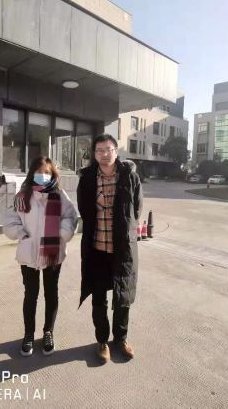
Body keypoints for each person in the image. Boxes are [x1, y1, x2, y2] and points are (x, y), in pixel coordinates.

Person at [77, 134, 142, 364]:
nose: (104, 154)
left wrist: (125, 231)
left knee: (122, 297)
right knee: (99, 298)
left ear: (116, 150)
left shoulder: (130, 177)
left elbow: (136, 210)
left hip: (122, 249)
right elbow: (84, 210)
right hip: (96, 249)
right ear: (94, 154)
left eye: (108, 149)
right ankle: (102, 341)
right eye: (99, 150)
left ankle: (121, 339)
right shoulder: (87, 178)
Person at [3, 157, 78, 357]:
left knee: (51, 293)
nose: (42, 175)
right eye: (39, 171)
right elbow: (10, 220)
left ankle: (48, 332)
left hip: (53, 253)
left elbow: (71, 217)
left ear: (53, 175)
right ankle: (28, 334)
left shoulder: (59, 195)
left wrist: (62, 233)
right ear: (32, 173)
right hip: (28, 254)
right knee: (31, 295)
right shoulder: (23, 196)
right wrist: (21, 234)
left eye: (47, 172)